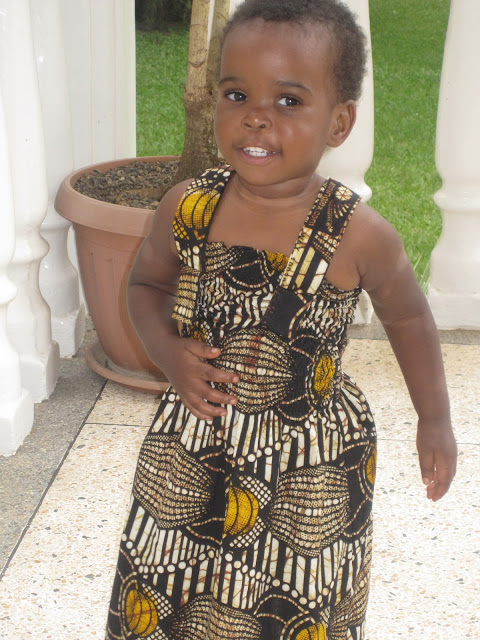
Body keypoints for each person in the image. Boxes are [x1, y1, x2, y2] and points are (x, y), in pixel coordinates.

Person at [105, 0, 457, 637]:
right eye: (236, 94)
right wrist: (168, 353)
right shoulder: (188, 207)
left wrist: (434, 419)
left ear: (339, 122)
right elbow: (146, 284)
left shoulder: (359, 235)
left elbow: (410, 320)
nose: (257, 116)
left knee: (296, 605)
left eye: (289, 100)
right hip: (194, 442)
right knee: (169, 586)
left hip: (311, 459)